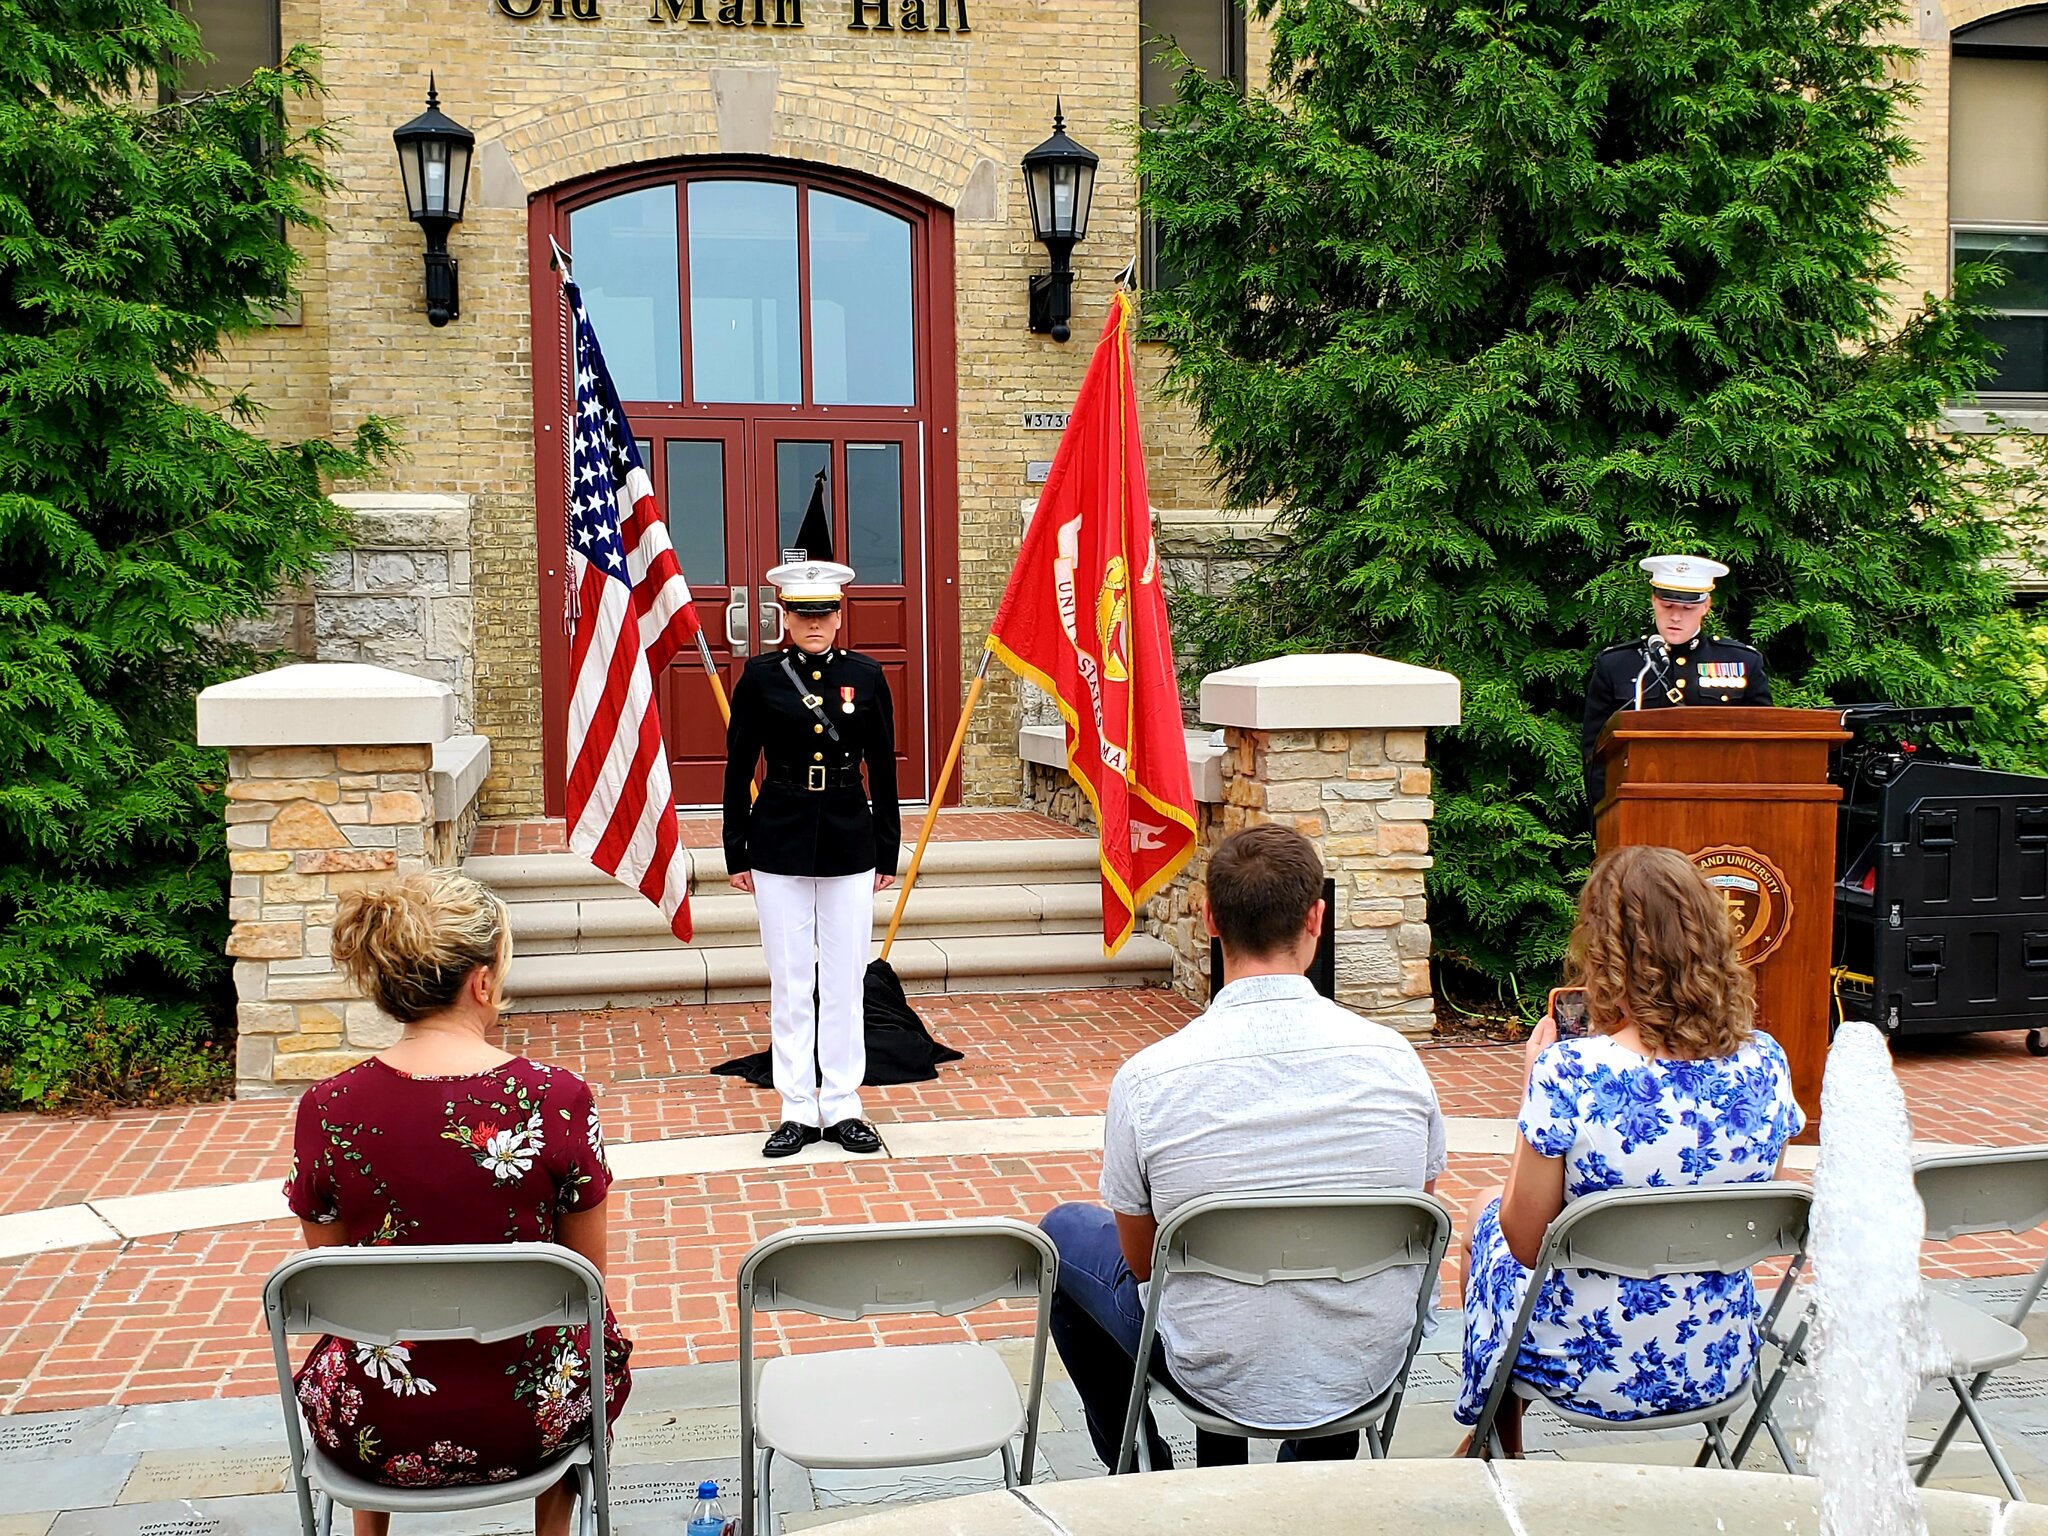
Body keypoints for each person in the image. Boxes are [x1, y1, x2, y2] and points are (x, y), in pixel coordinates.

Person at [1040, 823, 1447, 1471]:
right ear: (1317, 918)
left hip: (1206, 1365)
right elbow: (1415, 1230)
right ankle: (1313, 1470)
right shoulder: (1398, 1063)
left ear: (1210, 919)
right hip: (1363, 1365)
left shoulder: (1149, 1079)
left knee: (1062, 1235)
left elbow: (1144, 1265)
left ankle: (1140, 1469)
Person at [284, 872, 631, 1536]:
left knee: (359, 1330)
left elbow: (333, 1277)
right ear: (481, 982)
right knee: (586, 1327)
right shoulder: (556, 1098)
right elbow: (587, 1280)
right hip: (531, 1422)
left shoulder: (327, 1107)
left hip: (375, 1425)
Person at [1454, 844, 1806, 1456]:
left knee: (1486, 1216)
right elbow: (1757, 1207)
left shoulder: (1570, 1071)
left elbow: (1527, 1242)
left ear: (1605, 954)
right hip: (1716, 1359)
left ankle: (1498, 1448)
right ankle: (1492, 1446)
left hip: (1584, 1367)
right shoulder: (1766, 1062)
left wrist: (1536, 1086)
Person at [722, 481, 901, 1160]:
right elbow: (738, 768)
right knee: (792, 980)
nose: (815, 624)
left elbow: (884, 769)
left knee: (846, 977)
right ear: (785, 614)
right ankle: (797, 1107)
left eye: (825, 613)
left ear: (840, 612)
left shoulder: (869, 676)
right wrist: (736, 848)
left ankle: (844, 1103)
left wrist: (887, 848)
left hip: (851, 838)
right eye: (803, 614)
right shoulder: (761, 678)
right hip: (779, 837)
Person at [1581, 555, 1772, 809]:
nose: (1676, 617)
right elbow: (1595, 755)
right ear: (1653, 601)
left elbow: (1764, 743)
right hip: (1639, 808)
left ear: (1706, 606)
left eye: (1687, 609)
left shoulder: (1742, 661)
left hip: (1721, 807)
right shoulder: (1617, 664)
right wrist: (1609, 813)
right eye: (1668, 606)